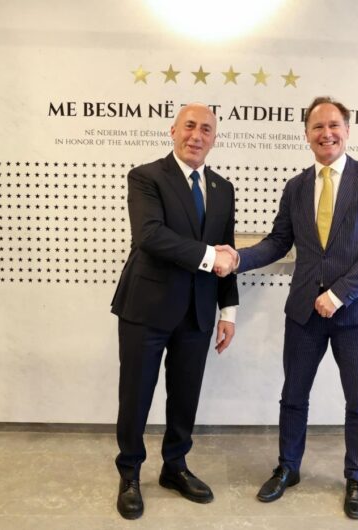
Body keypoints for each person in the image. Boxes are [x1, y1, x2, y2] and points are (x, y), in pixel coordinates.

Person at [217, 96, 358, 520]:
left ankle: (356, 477)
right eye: (317, 127)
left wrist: (338, 294)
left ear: (347, 131)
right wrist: (239, 258)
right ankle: (288, 468)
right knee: (293, 396)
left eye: (334, 125)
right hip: (303, 314)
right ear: (306, 135)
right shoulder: (296, 187)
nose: (326, 133)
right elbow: (279, 242)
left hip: (356, 316)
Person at [111, 102, 239, 520]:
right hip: (146, 309)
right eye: (189, 126)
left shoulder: (223, 188)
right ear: (173, 130)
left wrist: (228, 311)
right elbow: (150, 236)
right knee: (136, 395)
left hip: (198, 312)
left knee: (185, 396)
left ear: (214, 138)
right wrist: (210, 257)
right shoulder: (146, 177)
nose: (196, 135)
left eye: (206, 129)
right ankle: (130, 473)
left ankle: (175, 466)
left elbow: (227, 252)